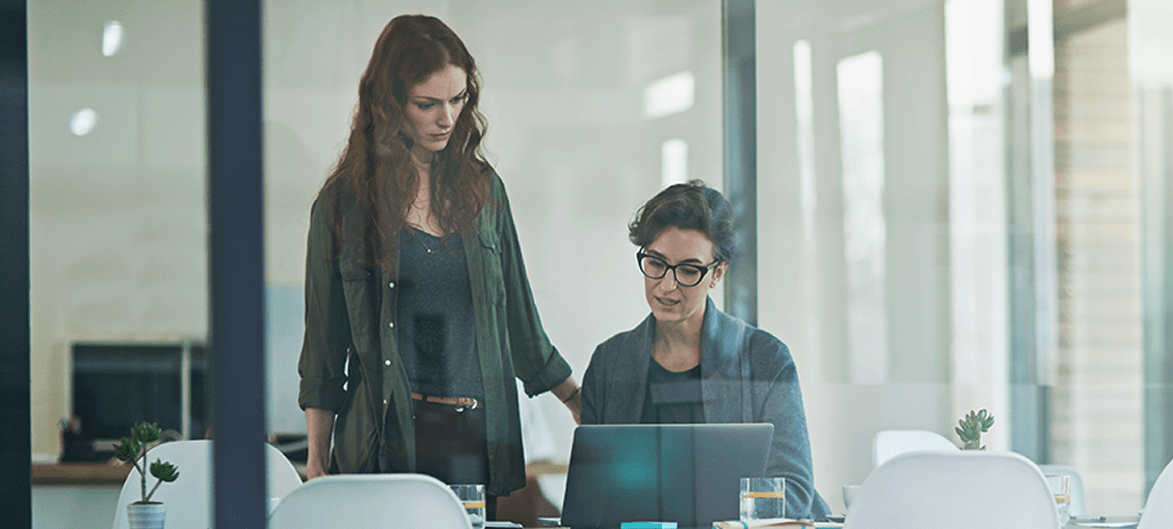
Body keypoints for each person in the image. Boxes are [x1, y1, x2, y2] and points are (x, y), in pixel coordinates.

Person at [297, 14, 582, 502]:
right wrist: (317, 459)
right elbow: (324, 350)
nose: (446, 118)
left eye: (457, 99)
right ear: (390, 105)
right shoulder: (344, 205)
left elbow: (519, 321)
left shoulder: (485, 192)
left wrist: (578, 401)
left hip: (474, 439)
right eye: (426, 104)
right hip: (384, 444)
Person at [580, 181, 830, 520]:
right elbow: (593, 497)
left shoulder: (765, 359)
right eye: (655, 263)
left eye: (688, 270)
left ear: (718, 273)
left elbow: (794, 493)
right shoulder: (609, 363)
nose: (667, 285)